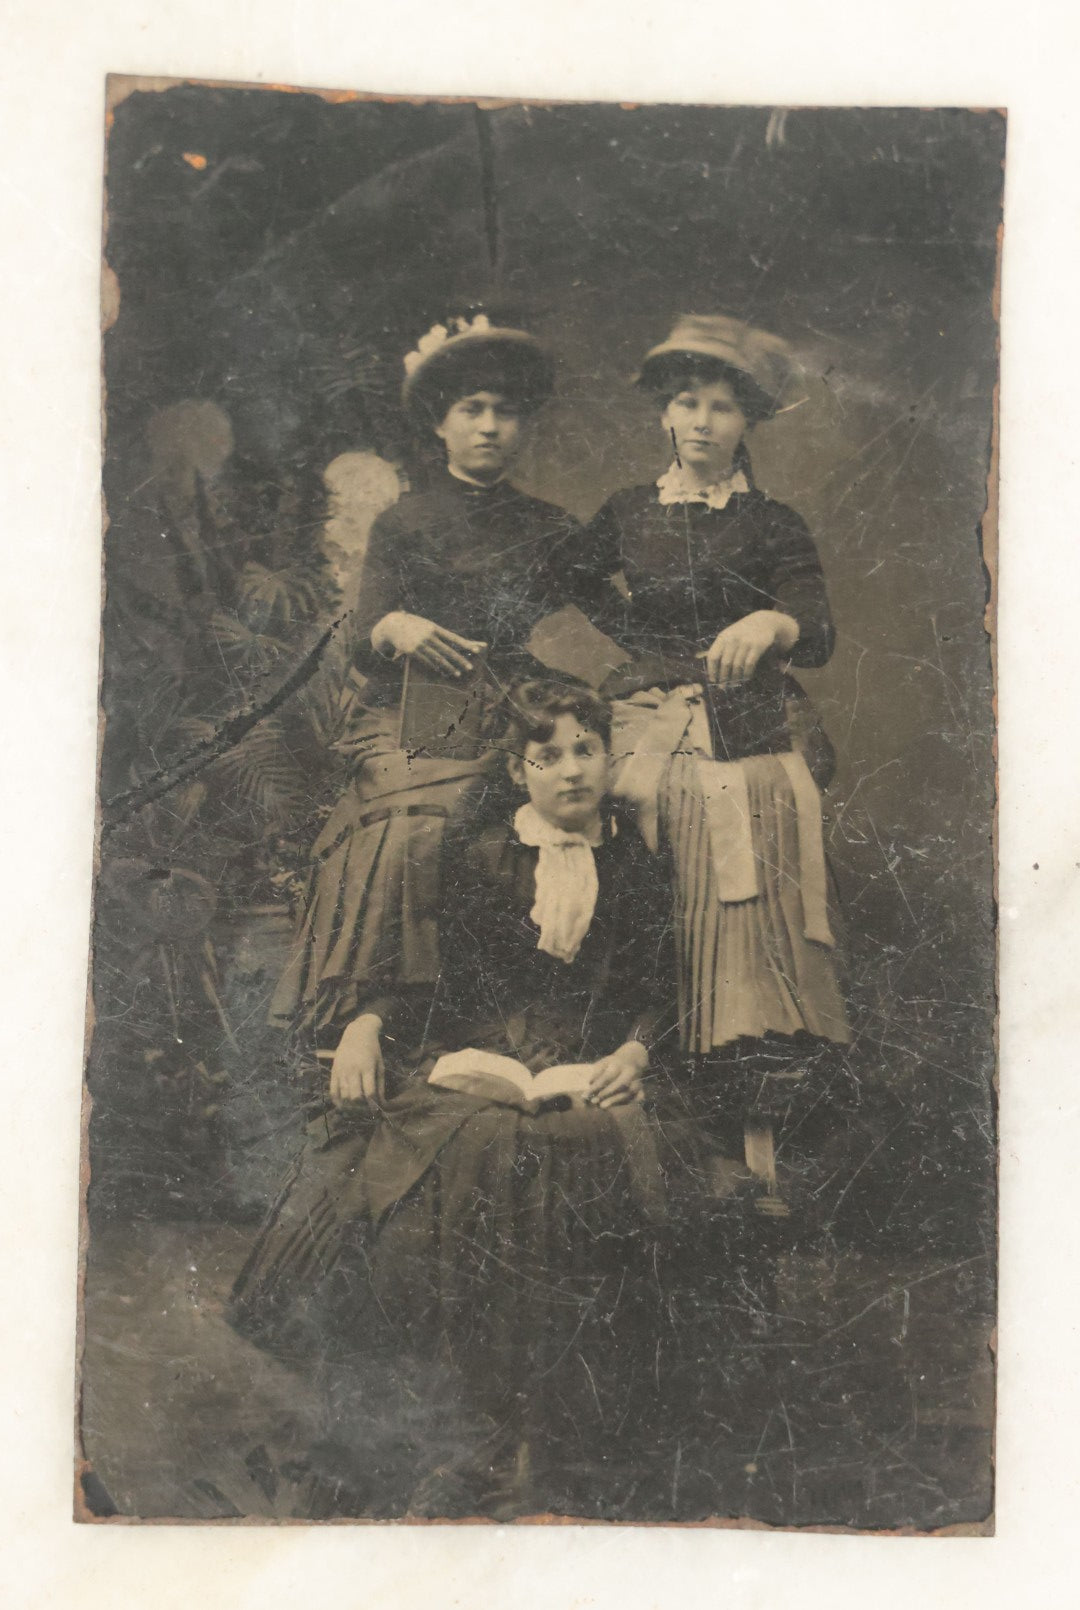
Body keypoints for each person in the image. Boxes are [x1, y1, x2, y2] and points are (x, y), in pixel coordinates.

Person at [229, 682, 695, 1519]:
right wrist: (370, 1021)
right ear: (521, 772)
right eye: (547, 756)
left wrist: (636, 1047)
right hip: (480, 1053)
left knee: (565, 1152)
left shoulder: (637, 865)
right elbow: (431, 977)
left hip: (589, 1064)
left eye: (586, 748)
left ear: (609, 757)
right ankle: (451, 1437)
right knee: (473, 1146)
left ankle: (538, 1446)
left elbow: (660, 985)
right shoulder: (482, 854)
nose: (570, 770)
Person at [269, 315, 612, 1049]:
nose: (489, 427)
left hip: (516, 706)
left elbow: (624, 612)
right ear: (441, 425)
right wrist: (396, 625)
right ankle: (379, 1016)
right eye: (471, 410)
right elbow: (364, 639)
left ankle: (514, 1015)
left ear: (522, 425)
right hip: (415, 707)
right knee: (413, 818)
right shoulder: (405, 521)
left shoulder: (550, 526)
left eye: (506, 411)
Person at [576, 315, 853, 1183]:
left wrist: (773, 619)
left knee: (746, 927)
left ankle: (754, 1151)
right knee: (642, 897)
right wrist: (643, 653)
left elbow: (819, 633)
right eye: (687, 402)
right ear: (664, 413)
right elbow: (574, 580)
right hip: (651, 727)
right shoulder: (626, 511)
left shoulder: (773, 521)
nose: (702, 421)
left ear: (747, 423)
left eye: (723, 407)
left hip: (746, 746)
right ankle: (639, 1121)